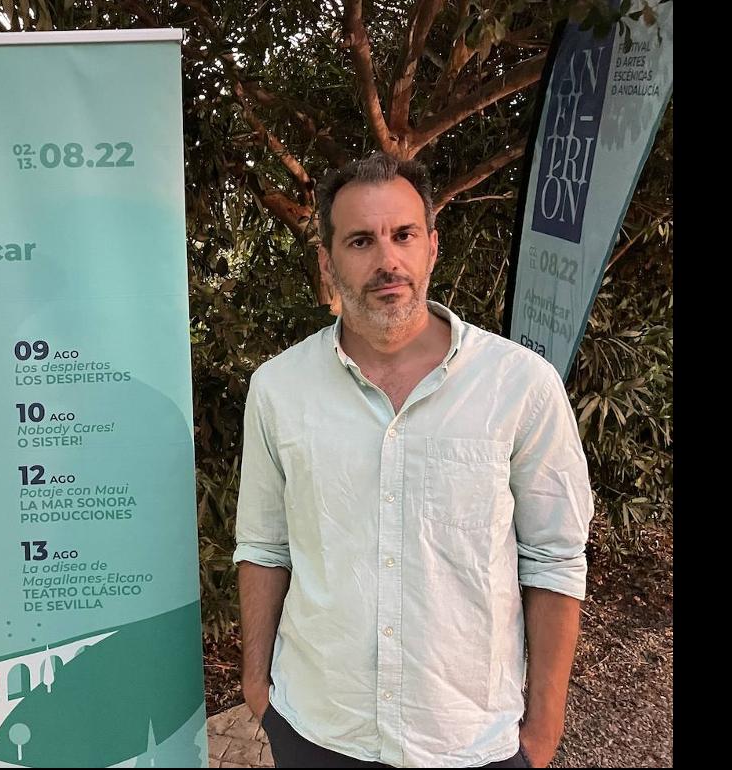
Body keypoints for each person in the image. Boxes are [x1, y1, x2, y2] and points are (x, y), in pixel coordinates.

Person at [233, 153, 593, 768]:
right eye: (360, 241)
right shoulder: (278, 388)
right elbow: (264, 546)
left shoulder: (519, 385)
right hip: (319, 727)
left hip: (469, 737)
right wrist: (257, 685)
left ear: (431, 247)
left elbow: (554, 558)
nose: (387, 260)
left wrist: (543, 726)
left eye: (403, 235)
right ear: (327, 262)